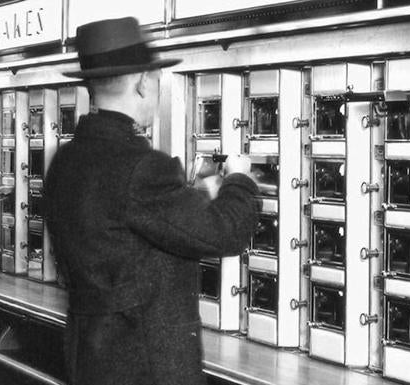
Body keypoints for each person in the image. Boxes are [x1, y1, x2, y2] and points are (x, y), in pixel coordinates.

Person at [44, 18, 260, 385]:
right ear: (143, 82)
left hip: (90, 357)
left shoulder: (64, 161)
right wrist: (240, 180)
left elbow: (128, 228)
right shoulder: (141, 166)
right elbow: (224, 233)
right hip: (147, 366)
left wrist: (200, 193)